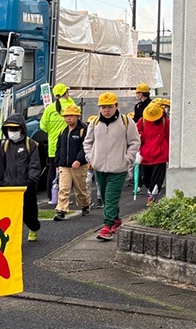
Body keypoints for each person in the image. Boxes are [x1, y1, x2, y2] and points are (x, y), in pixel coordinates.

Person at [84, 92, 141, 241]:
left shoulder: (126, 122)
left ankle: (107, 226)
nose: (106, 110)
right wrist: (91, 157)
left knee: (110, 196)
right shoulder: (95, 123)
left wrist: (128, 158)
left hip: (118, 168)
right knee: (104, 195)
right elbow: (87, 142)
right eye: (103, 107)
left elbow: (135, 142)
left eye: (109, 107)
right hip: (99, 167)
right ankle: (116, 219)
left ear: (116, 106)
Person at [0, 114, 43, 241]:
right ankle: (13, 235)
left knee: (29, 212)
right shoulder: (4, 146)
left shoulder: (30, 144)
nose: (12, 132)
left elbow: (34, 164)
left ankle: (34, 228)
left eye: (15, 129)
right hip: (9, 187)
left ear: (22, 129)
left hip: (26, 185)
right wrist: (0, 182)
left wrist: (31, 181)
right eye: (9, 129)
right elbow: (1, 166)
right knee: (10, 213)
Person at [52, 103, 90, 220]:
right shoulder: (62, 132)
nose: (68, 118)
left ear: (77, 116)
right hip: (65, 166)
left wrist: (79, 159)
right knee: (64, 188)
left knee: (80, 189)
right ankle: (61, 210)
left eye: (71, 116)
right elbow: (59, 148)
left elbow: (85, 147)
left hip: (79, 166)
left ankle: (85, 204)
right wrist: (57, 163)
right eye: (66, 116)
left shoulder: (83, 130)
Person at [39, 83, 73, 197]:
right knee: (66, 172)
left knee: (52, 171)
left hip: (53, 146)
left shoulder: (49, 108)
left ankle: (50, 196)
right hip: (67, 145)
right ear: (65, 93)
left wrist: (52, 132)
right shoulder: (70, 105)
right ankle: (64, 196)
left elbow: (42, 126)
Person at [136, 102, 170, 205]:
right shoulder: (142, 121)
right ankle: (151, 192)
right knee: (146, 179)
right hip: (145, 155)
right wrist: (140, 136)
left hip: (160, 154)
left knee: (157, 179)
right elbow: (136, 133)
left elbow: (168, 137)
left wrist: (169, 155)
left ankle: (152, 197)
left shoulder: (165, 121)